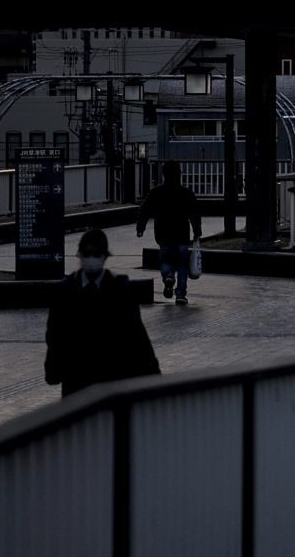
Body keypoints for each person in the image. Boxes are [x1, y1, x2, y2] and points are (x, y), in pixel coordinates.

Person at [44, 228, 159, 399]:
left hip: (112, 382)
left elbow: (137, 336)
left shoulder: (120, 289)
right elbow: (55, 335)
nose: (91, 259)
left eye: (96, 254)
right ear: (80, 254)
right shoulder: (66, 290)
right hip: (76, 382)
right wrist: (53, 370)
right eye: (87, 253)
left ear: (105, 256)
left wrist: (152, 378)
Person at [137, 159, 202, 305]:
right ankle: (180, 294)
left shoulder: (156, 192)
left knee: (166, 260)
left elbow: (144, 210)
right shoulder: (186, 193)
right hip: (181, 236)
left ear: (164, 174)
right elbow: (195, 214)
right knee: (182, 265)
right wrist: (197, 231)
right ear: (179, 174)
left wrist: (140, 227)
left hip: (163, 235)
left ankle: (168, 277)